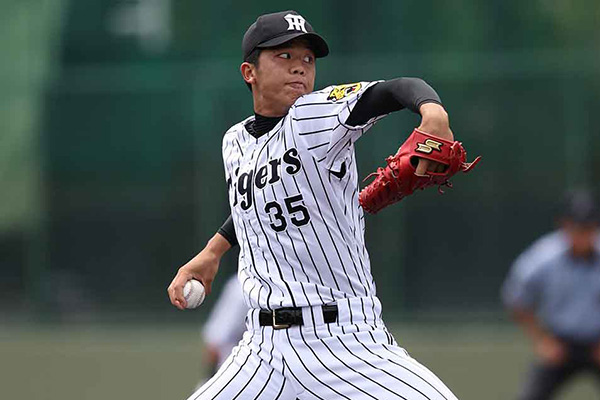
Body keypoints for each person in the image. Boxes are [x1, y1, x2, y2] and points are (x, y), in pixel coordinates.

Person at [168, 10, 460, 399]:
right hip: (261, 351)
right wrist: (212, 252)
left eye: (307, 59)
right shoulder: (233, 141)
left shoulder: (317, 114)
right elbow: (253, 204)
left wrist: (433, 111)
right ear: (249, 72)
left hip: (346, 343)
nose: (299, 67)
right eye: (284, 56)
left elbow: (395, 90)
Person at [502, 189, 600, 400]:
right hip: (559, 344)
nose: (583, 235)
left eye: (589, 228)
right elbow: (515, 297)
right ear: (564, 225)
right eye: (577, 228)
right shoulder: (543, 257)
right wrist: (542, 340)